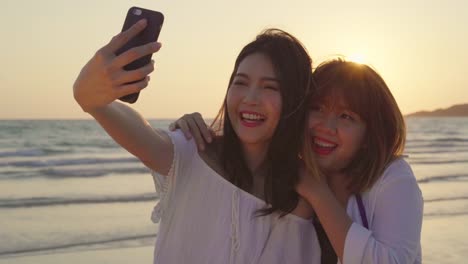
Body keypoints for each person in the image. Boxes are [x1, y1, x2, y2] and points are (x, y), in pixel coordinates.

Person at [73, 19, 321, 264]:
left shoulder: (301, 197)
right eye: (240, 83)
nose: (250, 98)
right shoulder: (190, 152)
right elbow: (137, 128)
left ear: (295, 100)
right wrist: (88, 93)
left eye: (270, 87)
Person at [172, 59, 423, 264]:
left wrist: (317, 193)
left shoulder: (393, 179)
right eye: (318, 109)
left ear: (371, 133)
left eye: (346, 116)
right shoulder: (291, 170)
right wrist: (192, 133)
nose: (326, 127)